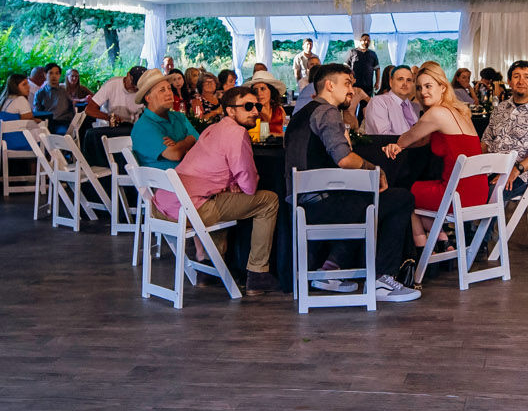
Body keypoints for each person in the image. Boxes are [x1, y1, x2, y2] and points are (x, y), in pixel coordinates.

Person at [284, 63, 420, 302]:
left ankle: (330, 269)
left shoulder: (300, 114)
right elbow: (345, 159)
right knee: (400, 199)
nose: (351, 89)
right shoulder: (327, 111)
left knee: (365, 202)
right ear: (329, 85)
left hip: (300, 204)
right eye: (347, 83)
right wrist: (374, 170)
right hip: (321, 206)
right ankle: (381, 279)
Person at [149, 85, 281, 293]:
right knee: (269, 200)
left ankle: (208, 270)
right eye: (248, 106)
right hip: (189, 211)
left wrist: (230, 184)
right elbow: (248, 184)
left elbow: (214, 166)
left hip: (161, 206)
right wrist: (238, 184)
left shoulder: (212, 129)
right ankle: (257, 274)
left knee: (222, 199)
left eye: (256, 105)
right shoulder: (237, 133)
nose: (255, 111)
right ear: (230, 110)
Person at [393, 61, 485, 250]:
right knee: (421, 192)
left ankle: (424, 254)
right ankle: (443, 243)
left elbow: (404, 140)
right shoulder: (462, 112)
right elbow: (426, 140)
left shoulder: (436, 113)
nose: (422, 92)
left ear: (443, 87)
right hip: (478, 192)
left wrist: (395, 146)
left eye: (428, 86)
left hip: (457, 196)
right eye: (418, 88)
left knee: (406, 197)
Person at [483, 60, 528, 200]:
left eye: (527, 77)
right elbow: (486, 141)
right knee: (460, 189)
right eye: (516, 76)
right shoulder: (500, 108)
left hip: (521, 173)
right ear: (509, 81)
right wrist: (479, 168)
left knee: (492, 194)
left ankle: (480, 222)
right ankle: (467, 222)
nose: (521, 81)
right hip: (490, 168)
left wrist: (515, 170)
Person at [129, 69, 198, 169]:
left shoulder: (179, 117)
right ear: (148, 98)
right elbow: (175, 154)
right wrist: (189, 139)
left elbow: (200, 145)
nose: (169, 93)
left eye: (169, 88)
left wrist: (179, 145)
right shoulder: (143, 126)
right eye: (162, 90)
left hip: (190, 175)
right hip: (165, 182)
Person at [361, 65, 418, 137]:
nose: (405, 84)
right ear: (391, 82)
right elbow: (384, 136)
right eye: (400, 79)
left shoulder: (414, 107)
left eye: (409, 80)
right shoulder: (378, 102)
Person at [0, 73, 38, 155]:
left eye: (27, 83)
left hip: (1, 144)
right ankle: (47, 167)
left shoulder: (1, 101)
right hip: (17, 143)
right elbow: (29, 122)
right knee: (45, 141)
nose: (28, 87)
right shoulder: (20, 100)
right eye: (24, 84)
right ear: (15, 87)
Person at [33, 66, 75, 130]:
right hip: (46, 124)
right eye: (51, 73)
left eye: (57, 73)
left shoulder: (65, 91)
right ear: (45, 75)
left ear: (59, 75)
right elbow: (37, 112)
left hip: (63, 122)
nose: (54, 76)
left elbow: (72, 109)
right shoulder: (40, 93)